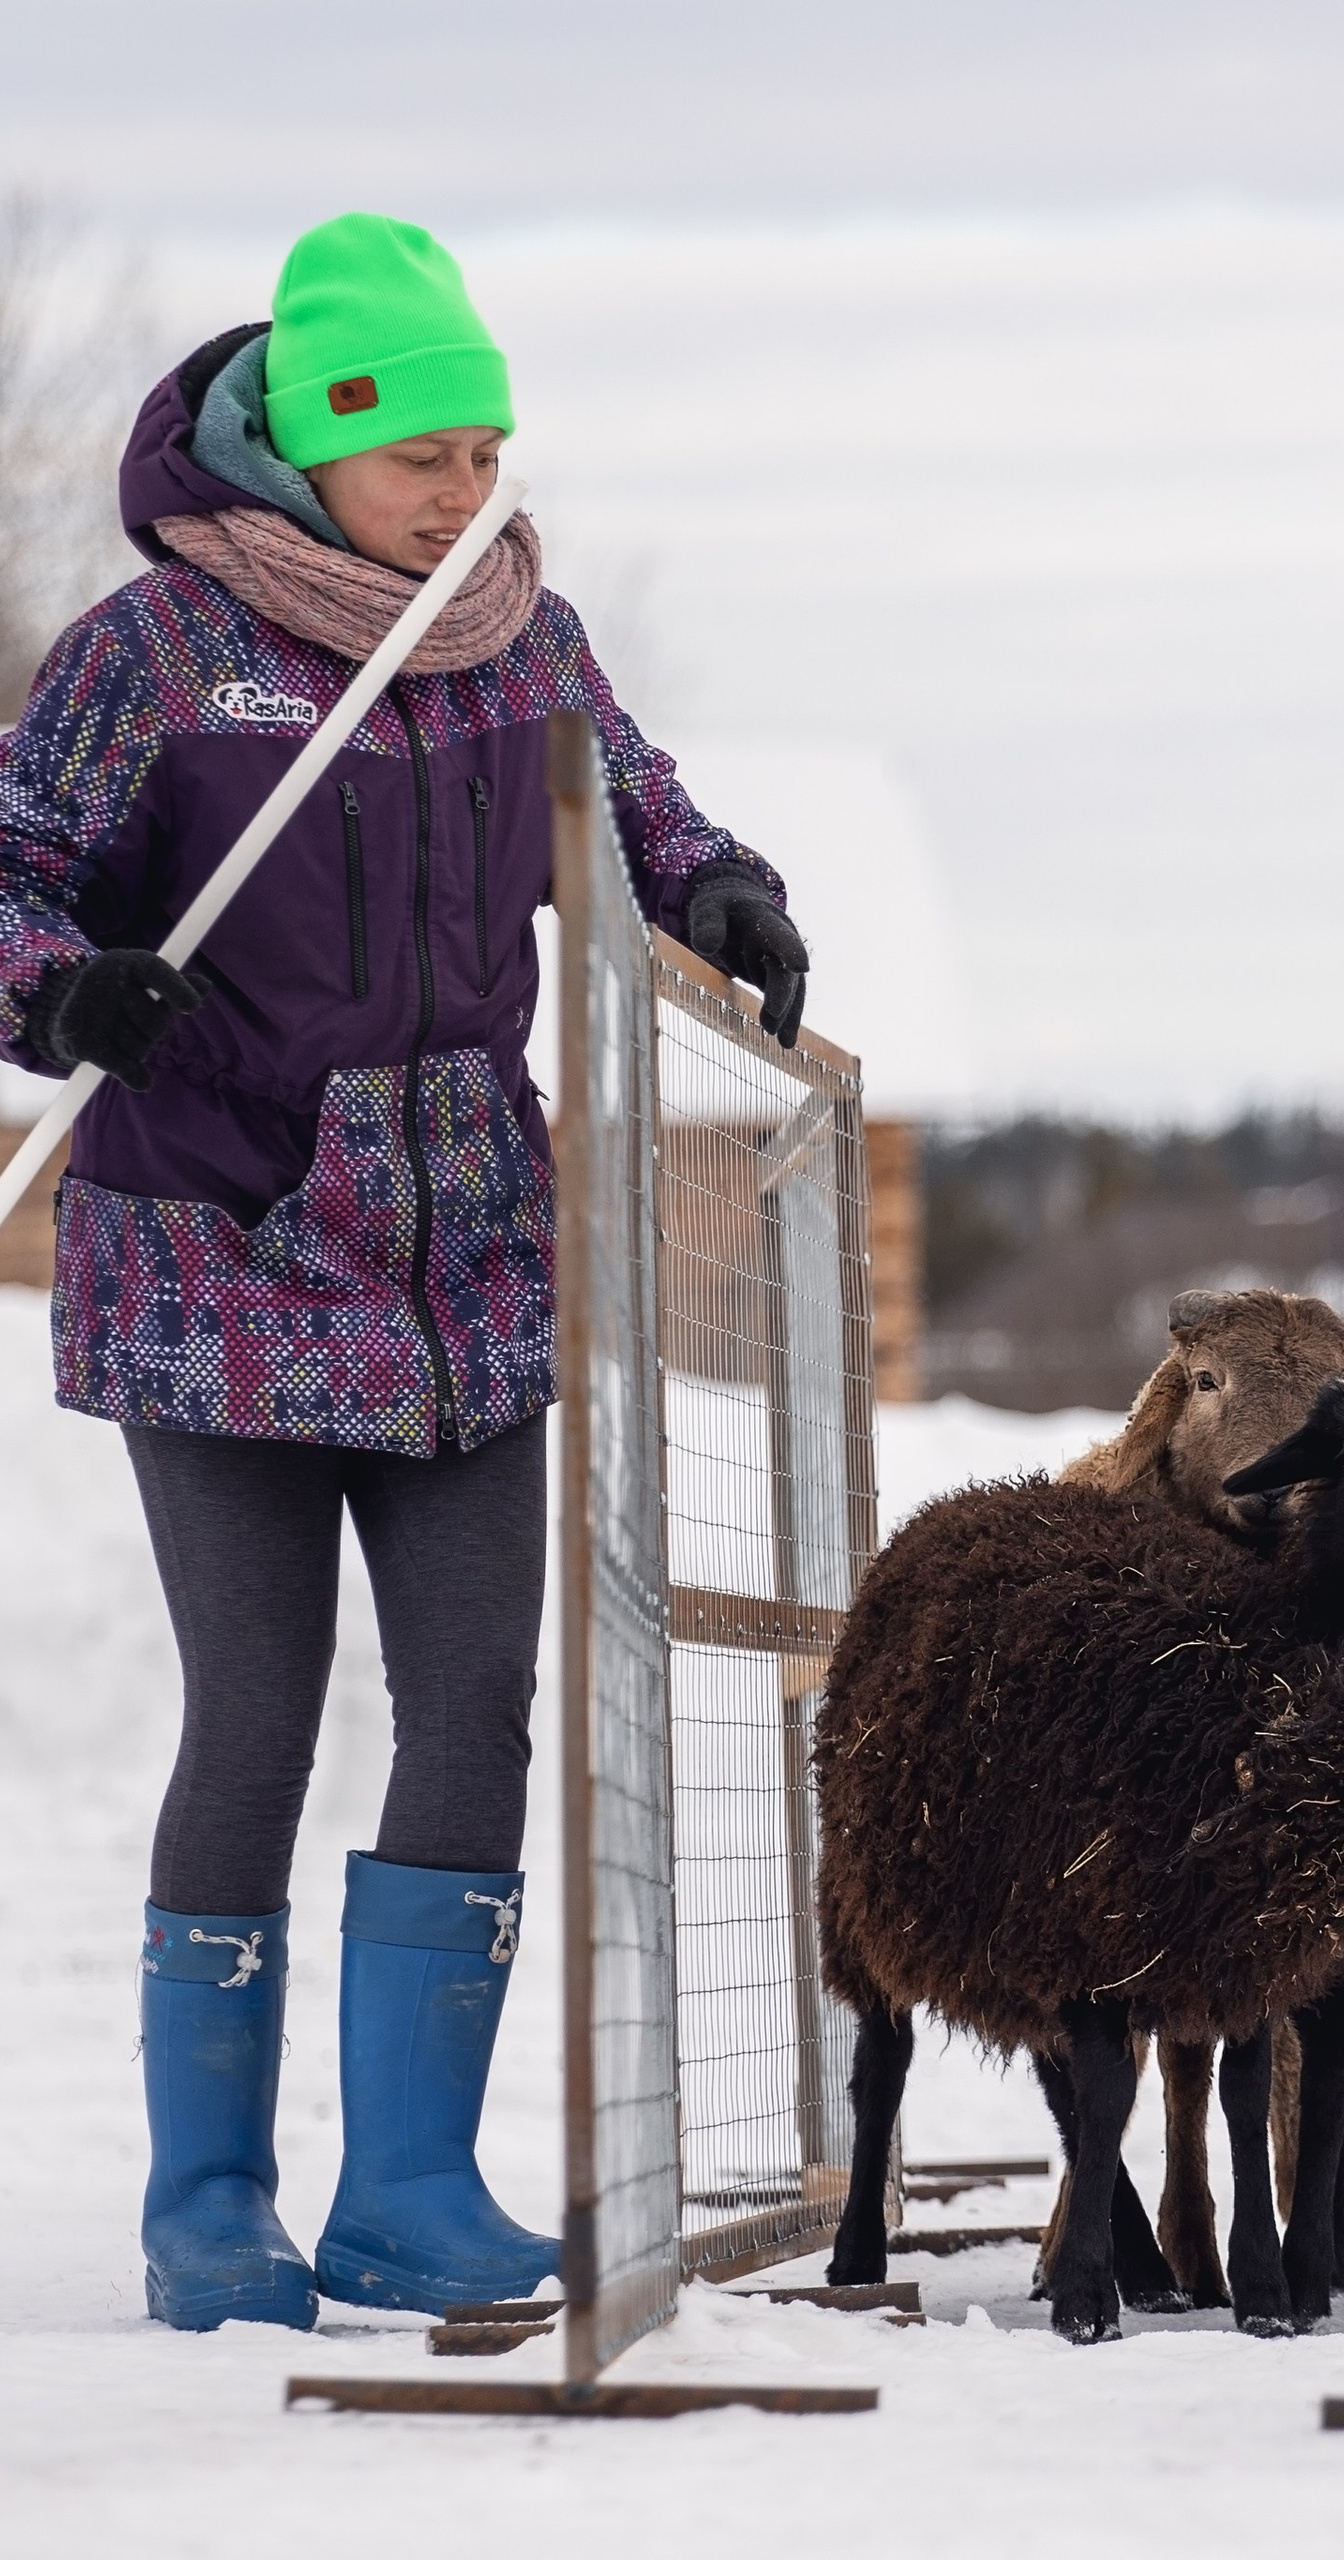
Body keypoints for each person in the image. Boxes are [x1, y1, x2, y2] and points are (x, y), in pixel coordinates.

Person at [0, 214, 810, 2331]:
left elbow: (630, 800)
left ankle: (415, 2186)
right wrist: (60, 987)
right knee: (255, 1713)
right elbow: (6, 871)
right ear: (312, 443)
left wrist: (713, 877)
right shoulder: (158, 655)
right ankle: (207, 2201)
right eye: (421, 452)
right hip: (223, 1259)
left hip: (468, 1263)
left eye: (485, 445)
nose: (466, 490)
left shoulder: (515, 639)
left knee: (471, 1706)